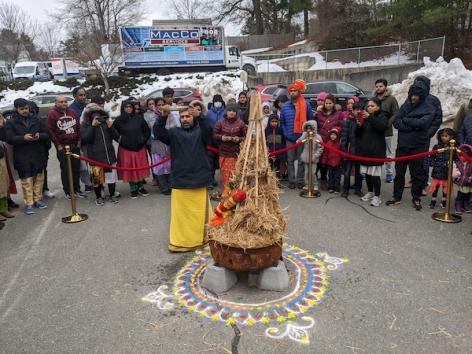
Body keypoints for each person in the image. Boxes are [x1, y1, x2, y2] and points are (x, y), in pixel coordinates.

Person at [154, 107, 213, 252]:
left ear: (193, 118)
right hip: (180, 179)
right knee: (181, 216)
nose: (185, 119)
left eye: (188, 116)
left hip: (199, 178)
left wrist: (200, 116)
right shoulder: (174, 133)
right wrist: (163, 118)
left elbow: (209, 131)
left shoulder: (201, 133)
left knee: (199, 213)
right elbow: (159, 133)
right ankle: (182, 242)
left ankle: (201, 240)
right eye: (182, 117)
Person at [387, 80, 437, 210]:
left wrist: (407, 120)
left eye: (416, 95)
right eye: (412, 95)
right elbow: (397, 122)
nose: (413, 97)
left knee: (417, 174)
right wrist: (413, 124)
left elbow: (424, 123)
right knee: (399, 173)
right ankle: (397, 196)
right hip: (403, 145)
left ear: (422, 95)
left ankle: (416, 198)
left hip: (418, 145)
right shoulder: (406, 104)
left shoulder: (429, 106)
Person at [6, 98, 50, 214]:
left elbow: (46, 133)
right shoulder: (10, 122)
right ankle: (29, 203)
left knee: (39, 178)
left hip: (37, 153)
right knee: (26, 180)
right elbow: (9, 139)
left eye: (26, 108)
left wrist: (39, 136)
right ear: (16, 109)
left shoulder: (36, 118)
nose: (25, 111)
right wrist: (23, 138)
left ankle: (38, 200)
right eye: (22, 109)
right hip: (22, 155)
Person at [47, 95, 84, 199]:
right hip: (63, 147)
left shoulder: (72, 112)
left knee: (76, 169)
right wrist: (58, 144)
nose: (64, 103)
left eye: (65, 101)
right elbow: (50, 131)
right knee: (66, 169)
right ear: (56, 103)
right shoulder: (52, 114)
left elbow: (78, 127)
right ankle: (68, 191)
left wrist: (79, 141)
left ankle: (77, 189)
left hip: (74, 145)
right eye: (61, 102)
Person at [80, 108, 120, 205]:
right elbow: (85, 139)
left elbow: (116, 137)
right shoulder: (86, 126)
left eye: (99, 115)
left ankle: (112, 195)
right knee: (96, 179)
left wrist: (111, 127)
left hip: (109, 157)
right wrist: (93, 126)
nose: (97, 118)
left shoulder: (106, 124)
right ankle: (98, 197)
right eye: (95, 116)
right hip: (95, 158)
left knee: (111, 178)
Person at [113, 99, 151, 198]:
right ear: (123, 108)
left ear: (133, 108)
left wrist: (143, 140)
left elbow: (146, 131)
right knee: (130, 168)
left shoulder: (139, 118)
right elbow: (113, 132)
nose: (128, 108)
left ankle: (141, 187)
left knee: (139, 167)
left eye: (130, 107)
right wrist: (120, 140)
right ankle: (133, 188)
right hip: (126, 149)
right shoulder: (118, 120)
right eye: (126, 107)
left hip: (139, 147)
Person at [357, 98, 389, 207]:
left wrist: (370, 118)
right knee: (367, 174)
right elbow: (358, 134)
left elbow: (382, 127)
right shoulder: (365, 117)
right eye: (368, 106)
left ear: (378, 107)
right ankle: (370, 192)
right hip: (365, 150)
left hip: (376, 150)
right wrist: (359, 125)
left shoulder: (383, 116)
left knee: (375, 175)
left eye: (372, 106)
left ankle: (377, 196)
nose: (369, 108)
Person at [213, 102, 247, 195]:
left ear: (236, 112)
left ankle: (235, 196)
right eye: (229, 110)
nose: (231, 112)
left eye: (233, 111)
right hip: (224, 153)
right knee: (225, 176)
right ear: (226, 112)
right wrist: (222, 137)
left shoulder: (240, 123)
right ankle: (226, 195)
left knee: (235, 176)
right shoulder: (221, 122)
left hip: (236, 154)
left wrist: (238, 139)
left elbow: (246, 137)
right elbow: (215, 134)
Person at [373, 79, 399, 183]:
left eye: (381, 86)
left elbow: (396, 113)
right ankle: (374, 173)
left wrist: (388, 123)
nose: (379, 88)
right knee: (375, 153)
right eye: (377, 86)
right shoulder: (373, 98)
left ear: (385, 87)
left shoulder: (391, 99)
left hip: (386, 131)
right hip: (375, 131)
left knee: (388, 153)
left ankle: (389, 173)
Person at [316, 94, 344, 187]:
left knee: (331, 160)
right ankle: (322, 178)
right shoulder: (319, 113)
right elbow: (316, 126)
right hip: (321, 140)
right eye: (326, 103)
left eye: (330, 103)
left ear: (334, 104)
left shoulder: (339, 114)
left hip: (332, 141)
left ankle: (332, 181)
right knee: (321, 160)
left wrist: (335, 131)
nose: (328, 105)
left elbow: (341, 126)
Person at [425, 128, 455, 209]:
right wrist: (433, 163)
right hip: (437, 171)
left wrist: (452, 164)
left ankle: (444, 200)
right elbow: (431, 157)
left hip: (447, 172)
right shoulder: (436, 146)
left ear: (451, 137)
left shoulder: (453, 148)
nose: (444, 137)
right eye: (442, 136)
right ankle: (433, 200)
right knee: (435, 187)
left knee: (445, 187)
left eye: (446, 136)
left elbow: (455, 159)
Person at [340, 102, 364, 198]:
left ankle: (358, 189)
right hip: (350, 150)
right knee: (347, 172)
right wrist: (344, 151)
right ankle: (345, 189)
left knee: (359, 172)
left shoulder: (364, 121)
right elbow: (344, 137)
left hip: (360, 150)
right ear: (352, 111)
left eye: (360, 110)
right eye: (356, 110)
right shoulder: (347, 122)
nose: (358, 111)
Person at [297, 120, 323, 192]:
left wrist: (315, 156)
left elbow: (320, 148)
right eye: (307, 128)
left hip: (314, 158)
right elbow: (298, 141)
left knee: (313, 172)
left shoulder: (318, 137)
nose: (309, 130)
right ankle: (307, 184)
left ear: (314, 128)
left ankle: (315, 184)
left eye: (310, 128)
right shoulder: (305, 135)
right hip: (306, 156)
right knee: (306, 172)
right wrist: (303, 136)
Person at [321, 127, 342, 193]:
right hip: (330, 163)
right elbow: (325, 153)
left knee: (337, 176)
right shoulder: (328, 143)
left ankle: (337, 187)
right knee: (330, 175)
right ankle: (331, 187)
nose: (332, 136)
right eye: (331, 134)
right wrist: (324, 162)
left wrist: (342, 162)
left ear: (337, 136)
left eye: (334, 135)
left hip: (338, 163)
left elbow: (342, 154)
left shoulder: (340, 144)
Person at [144, 98, 159, 186]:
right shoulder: (145, 115)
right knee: (154, 159)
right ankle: (155, 177)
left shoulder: (159, 112)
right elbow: (148, 125)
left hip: (160, 138)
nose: (152, 105)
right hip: (151, 140)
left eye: (153, 103)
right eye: (150, 104)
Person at [453, 144, 472, 214]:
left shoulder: (470, 163)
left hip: (469, 182)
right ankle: (458, 205)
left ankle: (466, 205)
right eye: (460, 155)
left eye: (464, 155)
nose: (462, 157)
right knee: (460, 194)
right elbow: (454, 173)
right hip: (461, 182)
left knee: (468, 195)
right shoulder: (458, 163)